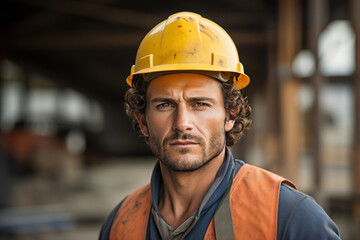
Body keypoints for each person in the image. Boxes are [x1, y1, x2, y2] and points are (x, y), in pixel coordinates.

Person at [99, 12, 340, 240]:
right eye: (165, 105)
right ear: (143, 121)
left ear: (230, 115)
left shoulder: (290, 218)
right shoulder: (120, 224)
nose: (182, 123)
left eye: (200, 104)